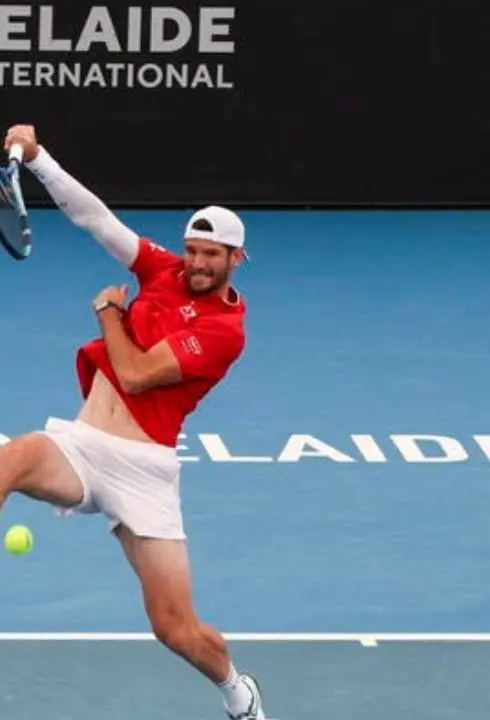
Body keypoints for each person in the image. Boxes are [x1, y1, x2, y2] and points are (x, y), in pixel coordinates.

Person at [0, 124, 267, 719]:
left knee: (177, 630)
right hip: (82, 444)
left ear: (235, 259)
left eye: (211, 256)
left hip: (144, 470)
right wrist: (41, 160)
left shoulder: (226, 332)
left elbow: (140, 374)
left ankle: (236, 691)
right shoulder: (163, 271)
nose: (197, 263)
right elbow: (97, 219)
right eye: (193, 250)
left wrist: (109, 314)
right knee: (12, 460)